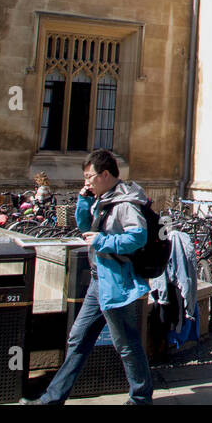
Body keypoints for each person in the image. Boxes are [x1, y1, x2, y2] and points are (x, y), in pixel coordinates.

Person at [28, 149, 153, 404]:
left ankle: (141, 398)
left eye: (89, 176)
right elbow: (85, 228)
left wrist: (104, 241)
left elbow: (138, 236)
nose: (86, 181)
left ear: (105, 174)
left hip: (117, 284)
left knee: (127, 345)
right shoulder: (103, 198)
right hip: (99, 283)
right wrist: (84, 200)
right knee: (78, 338)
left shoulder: (125, 203)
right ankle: (51, 399)